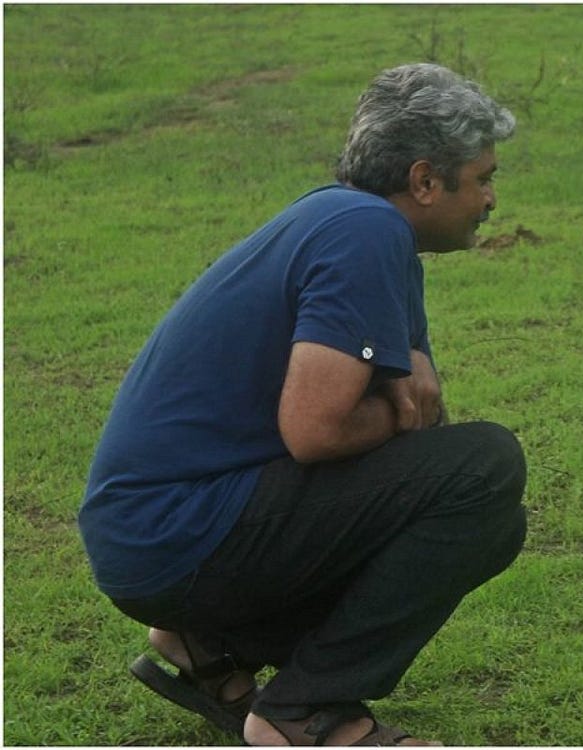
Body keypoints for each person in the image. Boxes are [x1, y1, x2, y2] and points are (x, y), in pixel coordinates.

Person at [78, 63, 527, 746]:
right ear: (425, 180)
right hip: (172, 532)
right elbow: (319, 430)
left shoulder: (358, 225)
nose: (492, 199)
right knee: (486, 463)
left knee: (493, 520)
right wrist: (400, 416)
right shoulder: (363, 231)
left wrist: (408, 416)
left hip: (155, 536)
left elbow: (417, 416)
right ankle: (304, 712)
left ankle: (207, 646)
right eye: (484, 178)